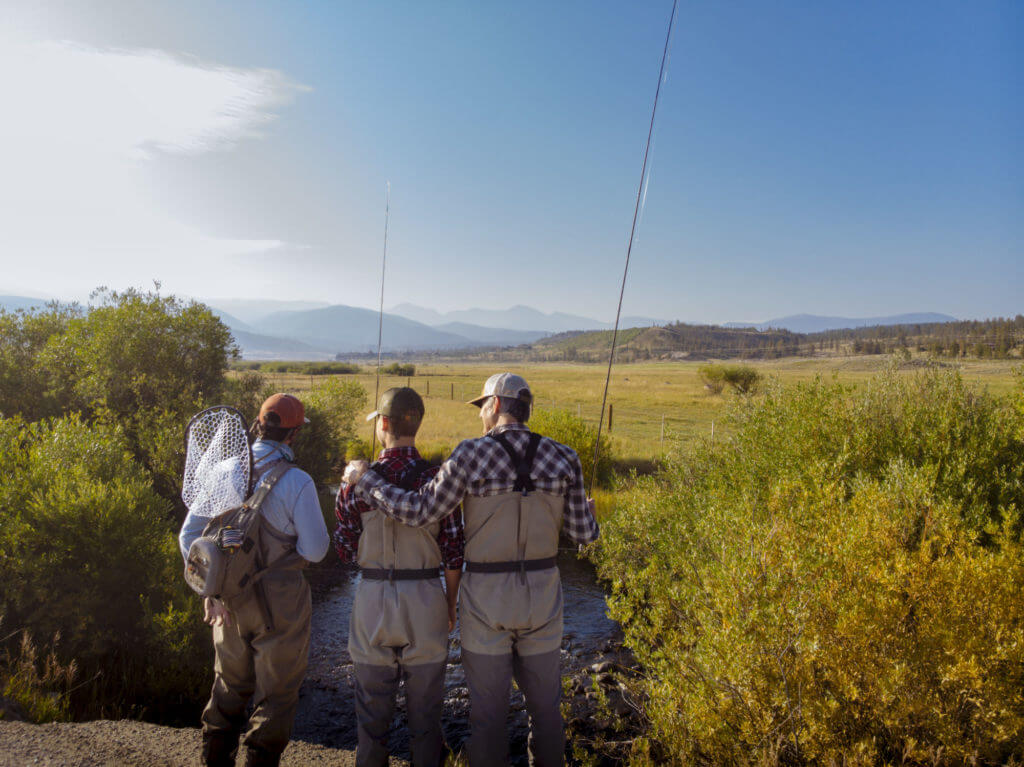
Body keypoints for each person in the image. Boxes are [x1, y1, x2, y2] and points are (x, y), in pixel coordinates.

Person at [343, 373, 599, 767]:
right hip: (544, 598)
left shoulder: (469, 455)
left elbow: (419, 512)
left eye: (482, 406)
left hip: (485, 602)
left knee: (487, 719)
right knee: (547, 714)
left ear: (495, 405)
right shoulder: (565, 457)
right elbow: (584, 535)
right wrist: (590, 512)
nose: (481, 415)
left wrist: (366, 481)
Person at [179, 393, 330, 767]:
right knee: (276, 697)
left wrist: (209, 590)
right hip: (282, 606)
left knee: (228, 687)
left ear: (258, 424)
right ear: (293, 436)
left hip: (228, 602)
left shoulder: (221, 470)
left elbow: (188, 539)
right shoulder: (298, 482)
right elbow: (315, 551)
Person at [334, 386, 464, 767]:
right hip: (426, 600)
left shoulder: (355, 481)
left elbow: (343, 550)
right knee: (426, 723)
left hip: (372, 599)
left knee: (371, 725)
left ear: (384, 424)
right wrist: (450, 605)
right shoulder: (439, 479)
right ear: (416, 425)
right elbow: (454, 551)